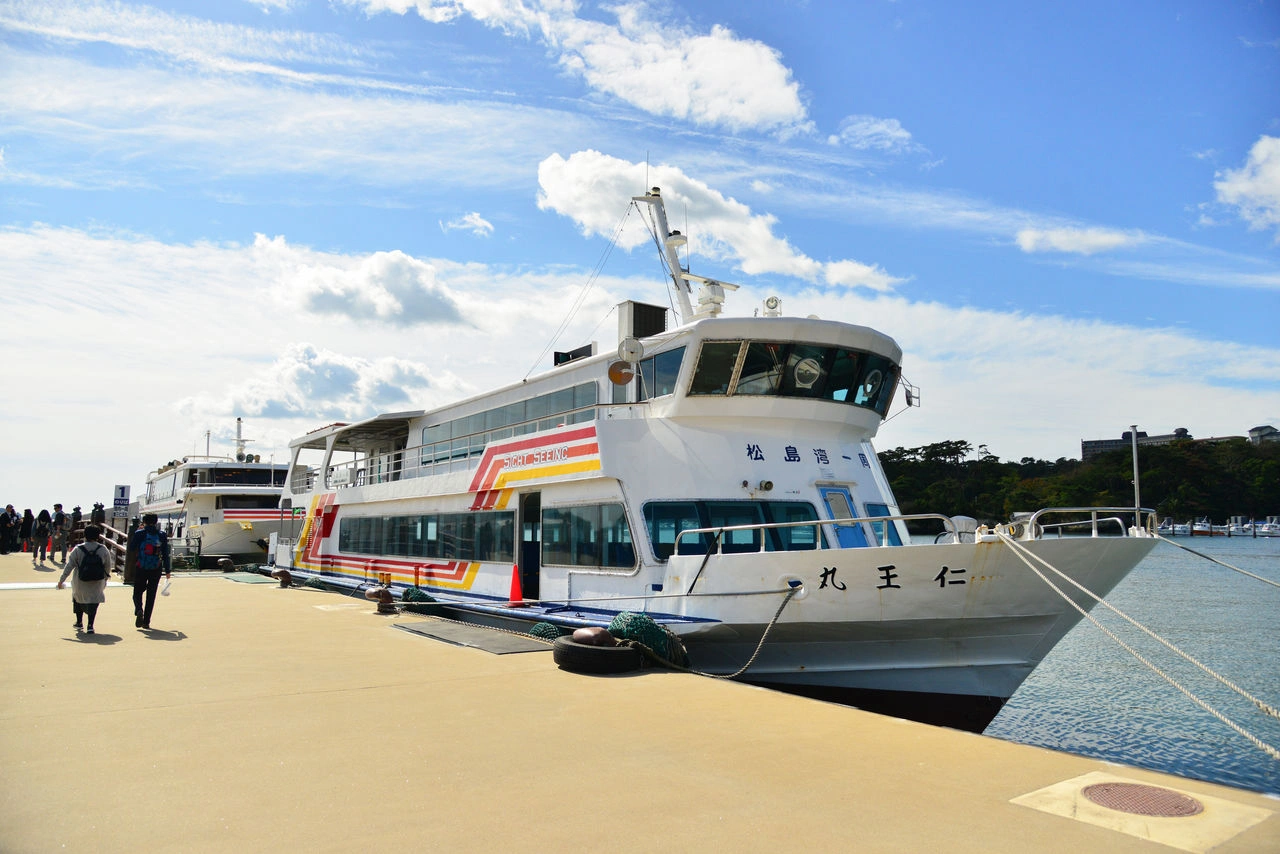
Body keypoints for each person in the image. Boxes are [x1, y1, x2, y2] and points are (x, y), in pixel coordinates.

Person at [57, 524, 113, 635]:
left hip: (80, 581)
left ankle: (79, 622)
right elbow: (108, 566)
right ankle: (90, 625)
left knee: (77, 599)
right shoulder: (103, 549)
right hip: (97, 580)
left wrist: (61, 580)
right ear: (98, 536)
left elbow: (69, 566)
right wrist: (105, 578)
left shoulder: (78, 549)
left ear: (85, 535)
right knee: (94, 601)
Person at [128, 513, 171, 629]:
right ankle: (146, 622)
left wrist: (137, 532)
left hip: (141, 567)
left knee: (137, 592)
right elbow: (165, 554)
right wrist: (167, 571)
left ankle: (138, 610)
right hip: (156, 568)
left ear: (144, 522)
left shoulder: (140, 533)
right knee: (151, 595)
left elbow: (131, 548)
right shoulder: (161, 535)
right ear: (156, 522)